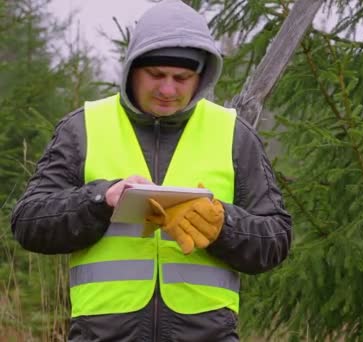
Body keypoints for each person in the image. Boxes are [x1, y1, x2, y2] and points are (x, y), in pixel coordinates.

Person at [10, 0, 292, 340]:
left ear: (202, 77)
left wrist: (223, 225)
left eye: (182, 77)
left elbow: (276, 239)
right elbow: (28, 222)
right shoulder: (83, 128)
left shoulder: (233, 134)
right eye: (156, 75)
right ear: (132, 69)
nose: (168, 89)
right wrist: (100, 200)